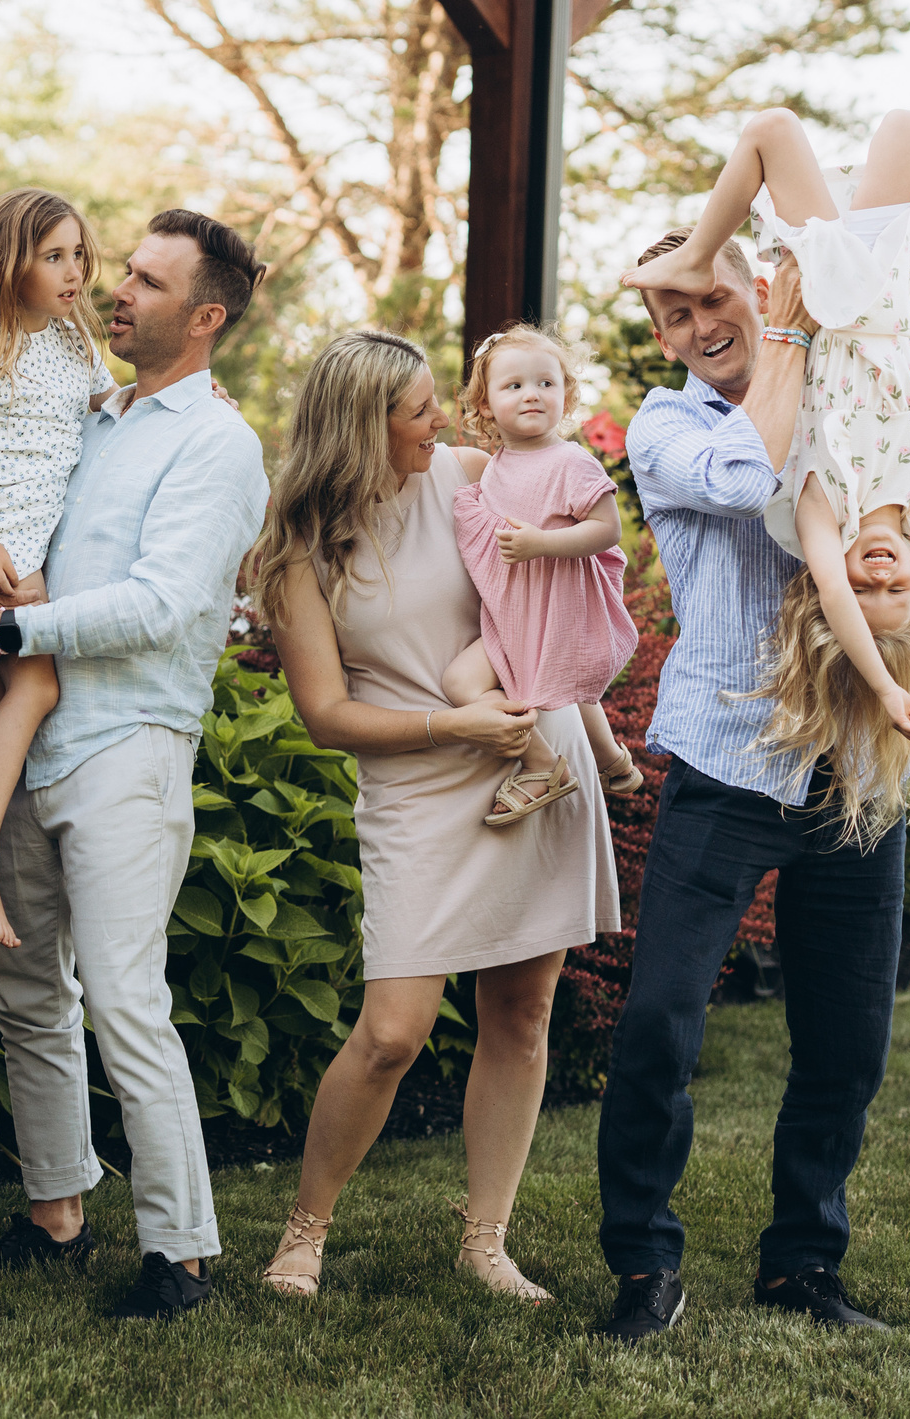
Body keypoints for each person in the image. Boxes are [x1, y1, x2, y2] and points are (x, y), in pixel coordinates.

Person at [600, 219, 910, 1341]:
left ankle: (802, 1264)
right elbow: (747, 473)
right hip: (727, 764)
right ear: (660, 337)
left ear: (760, 285)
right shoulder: (669, 427)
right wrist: (796, 337)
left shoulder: (854, 398)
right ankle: (643, 1264)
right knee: (659, 1025)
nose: (700, 327)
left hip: (854, 775)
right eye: (674, 315)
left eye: (715, 299)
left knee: (847, 1044)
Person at [0, 209, 269, 1321]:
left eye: (148, 281)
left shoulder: (216, 443)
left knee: (127, 998)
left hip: (127, 743)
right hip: (24, 736)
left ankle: (180, 1252)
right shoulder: (89, 410)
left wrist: (11, 631)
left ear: (205, 316)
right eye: (123, 271)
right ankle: (56, 1211)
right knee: (27, 989)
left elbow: (163, 604)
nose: (118, 290)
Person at [252, 329, 621, 1306]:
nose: (444, 420)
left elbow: (567, 576)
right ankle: (304, 1230)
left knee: (523, 1011)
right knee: (391, 1032)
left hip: (534, 766)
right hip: (416, 783)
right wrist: (451, 723)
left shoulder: (468, 475)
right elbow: (326, 716)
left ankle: (485, 1240)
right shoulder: (297, 553)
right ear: (361, 426)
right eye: (418, 409)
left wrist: (586, 722)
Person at [624, 108, 910, 843]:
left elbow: (750, 491)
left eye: (713, 298)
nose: (878, 578)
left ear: (763, 295)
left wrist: (887, 689)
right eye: (896, 590)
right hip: (889, 298)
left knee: (773, 131)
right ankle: (698, 255)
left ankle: (695, 253)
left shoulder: (814, 490)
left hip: (836, 304)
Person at [0, 188, 115, 954]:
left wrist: (195, 394)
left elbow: (114, 410)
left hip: (32, 552)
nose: (74, 272)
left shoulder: (75, 343)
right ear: (9, 264)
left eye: (78, 255)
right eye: (53, 257)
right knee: (38, 687)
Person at [436, 321, 644, 826]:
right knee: (463, 683)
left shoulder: (571, 462)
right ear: (485, 404)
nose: (532, 394)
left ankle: (554, 765)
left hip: (556, 606)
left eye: (546, 383)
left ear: (565, 396)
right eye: (514, 385)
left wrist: (541, 544)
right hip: (513, 611)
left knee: (557, 682)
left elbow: (607, 529)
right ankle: (591, 762)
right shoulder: (496, 465)